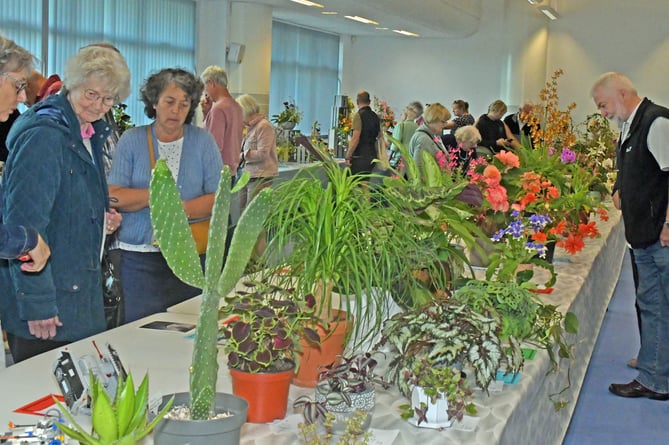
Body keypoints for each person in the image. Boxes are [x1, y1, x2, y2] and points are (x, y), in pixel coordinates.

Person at [0, 44, 129, 363]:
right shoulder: (45, 136)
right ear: (71, 85)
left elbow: (65, 203)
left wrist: (100, 220)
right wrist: (37, 303)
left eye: (108, 98)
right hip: (48, 309)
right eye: (91, 94)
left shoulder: (89, 133)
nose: (99, 105)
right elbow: (23, 221)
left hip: (77, 293)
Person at [108, 68, 222, 323]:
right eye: (170, 102)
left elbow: (219, 198)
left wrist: (178, 210)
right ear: (154, 102)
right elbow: (113, 195)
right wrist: (158, 198)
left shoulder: (203, 142)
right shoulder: (131, 140)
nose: (176, 110)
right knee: (140, 330)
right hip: (139, 258)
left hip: (190, 256)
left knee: (188, 331)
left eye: (185, 104)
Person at [591, 72, 669, 401]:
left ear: (622, 94)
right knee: (652, 305)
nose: (602, 113)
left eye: (603, 104)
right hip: (642, 235)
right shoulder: (628, 125)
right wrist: (618, 188)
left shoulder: (657, 123)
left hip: (660, 236)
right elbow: (629, 169)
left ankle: (656, 377)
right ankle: (654, 368)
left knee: (659, 305)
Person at [200, 65, 244, 180]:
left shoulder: (218, 109)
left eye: (205, 87)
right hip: (232, 171)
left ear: (211, 83)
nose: (205, 92)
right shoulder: (237, 107)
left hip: (217, 172)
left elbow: (214, 145)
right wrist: (206, 113)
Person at [236, 93, 277, 211]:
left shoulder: (264, 126)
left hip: (260, 176)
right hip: (246, 175)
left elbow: (263, 153)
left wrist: (243, 156)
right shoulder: (250, 127)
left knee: (253, 216)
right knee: (242, 212)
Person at [345, 91, 381, 175]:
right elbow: (379, 136)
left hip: (360, 156)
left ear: (357, 101)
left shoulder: (358, 116)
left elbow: (355, 138)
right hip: (372, 155)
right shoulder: (375, 116)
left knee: (354, 183)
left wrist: (348, 155)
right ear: (369, 102)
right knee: (365, 182)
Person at [409, 102, 450, 170]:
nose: (445, 125)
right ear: (433, 119)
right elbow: (419, 170)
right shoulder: (423, 139)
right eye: (443, 121)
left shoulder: (433, 136)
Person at [387, 101, 421, 170]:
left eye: (402, 113)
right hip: (413, 159)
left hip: (400, 159)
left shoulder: (400, 126)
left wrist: (389, 157)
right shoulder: (418, 127)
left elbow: (395, 145)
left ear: (405, 114)